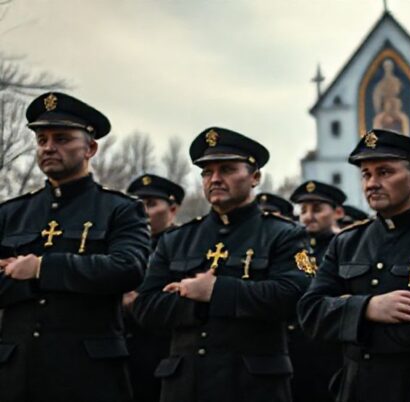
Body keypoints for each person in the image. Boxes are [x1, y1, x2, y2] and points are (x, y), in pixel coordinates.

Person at [133, 127, 311, 402]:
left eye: (227, 169)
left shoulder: (286, 234)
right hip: (185, 385)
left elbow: (298, 295)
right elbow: (145, 306)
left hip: (253, 386)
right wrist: (194, 298)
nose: (214, 179)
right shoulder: (177, 239)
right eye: (207, 172)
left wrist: (218, 291)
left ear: (255, 177)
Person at [297, 129, 410, 402]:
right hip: (357, 389)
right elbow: (310, 313)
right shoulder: (347, 242)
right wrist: (367, 308)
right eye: (366, 174)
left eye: (385, 172)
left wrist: (345, 317)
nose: (372, 183)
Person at [0, 92, 150, 401]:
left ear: (90, 148)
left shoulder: (118, 209)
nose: (49, 147)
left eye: (62, 138)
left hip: (88, 374)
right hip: (17, 371)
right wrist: (32, 280)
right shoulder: (11, 213)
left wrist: (41, 269)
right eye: (42, 140)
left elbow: (127, 268)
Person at [125, 173, 185, 402]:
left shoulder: (183, 246)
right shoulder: (124, 245)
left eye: (151, 205)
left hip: (163, 350)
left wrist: (139, 302)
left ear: (172, 210)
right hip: (124, 350)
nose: (143, 212)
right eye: (138, 205)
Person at [287, 180, 346, 402]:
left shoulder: (344, 246)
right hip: (295, 346)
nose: (308, 216)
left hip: (329, 347)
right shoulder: (294, 247)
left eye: (317, 209)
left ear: (337, 212)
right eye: (303, 210)